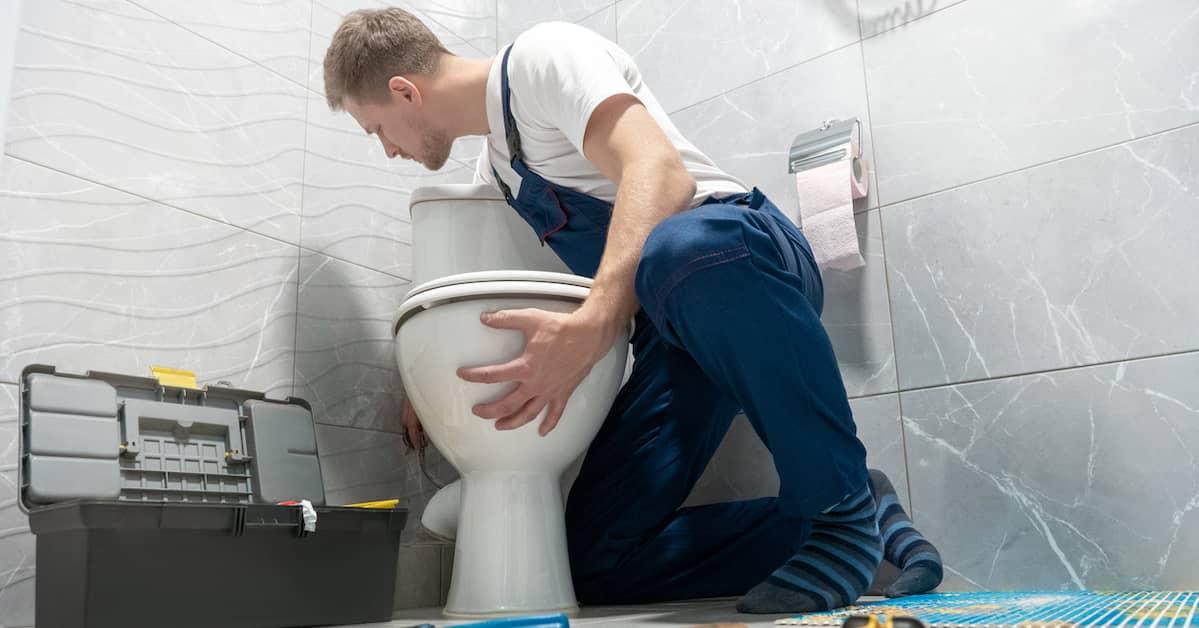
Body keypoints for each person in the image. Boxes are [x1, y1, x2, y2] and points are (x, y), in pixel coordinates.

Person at [323, 8, 943, 613]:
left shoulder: (544, 59)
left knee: (679, 249)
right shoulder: (501, 170)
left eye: (376, 129)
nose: (387, 150)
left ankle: (838, 510)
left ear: (404, 92)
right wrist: (434, 375)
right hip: (672, 331)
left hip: (740, 259)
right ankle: (859, 513)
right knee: (595, 560)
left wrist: (595, 323)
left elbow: (661, 175)